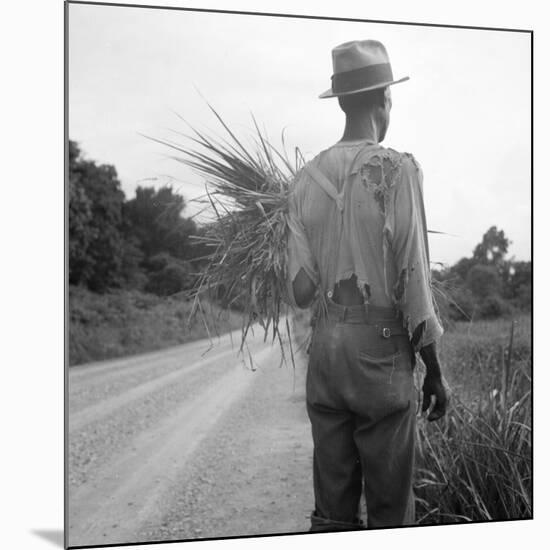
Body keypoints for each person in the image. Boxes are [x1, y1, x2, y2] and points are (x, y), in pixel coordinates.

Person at [285, 39, 448, 531]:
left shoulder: (302, 181)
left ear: (339, 100)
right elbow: (414, 281)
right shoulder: (398, 169)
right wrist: (435, 371)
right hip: (379, 360)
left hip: (327, 356)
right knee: (389, 512)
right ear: (385, 99)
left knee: (331, 513)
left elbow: (300, 292)